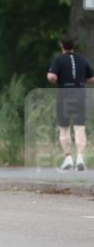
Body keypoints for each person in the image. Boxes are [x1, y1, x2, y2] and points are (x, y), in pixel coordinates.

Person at [47, 36, 93, 171]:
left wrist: (53, 78)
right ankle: (80, 158)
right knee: (80, 127)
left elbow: (51, 76)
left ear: (62, 46)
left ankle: (68, 158)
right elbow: (91, 78)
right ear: (73, 46)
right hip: (80, 95)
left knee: (64, 128)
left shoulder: (58, 60)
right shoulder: (82, 60)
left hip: (65, 96)